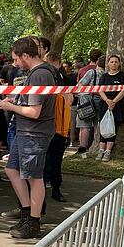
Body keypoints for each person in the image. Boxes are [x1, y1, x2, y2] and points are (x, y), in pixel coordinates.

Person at [0, 36, 56, 239]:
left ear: (25, 55)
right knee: (12, 169)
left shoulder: (40, 74)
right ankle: (26, 212)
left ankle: (33, 221)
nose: (15, 64)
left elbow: (34, 111)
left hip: (34, 132)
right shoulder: (37, 73)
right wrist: (16, 99)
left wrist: (10, 106)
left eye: (16, 59)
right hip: (27, 131)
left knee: (34, 177)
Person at [44, 52, 70, 202]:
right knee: (47, 160)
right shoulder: (44, 77)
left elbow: (69, 100)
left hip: (59, 127)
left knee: (56, 160)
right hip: (48, 126)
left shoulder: (63, 79)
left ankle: (56, 189)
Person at [96, 54, 124, 161]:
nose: (114, 64)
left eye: (116, 62)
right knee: (103, 126)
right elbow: (100, 90)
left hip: (117, 105)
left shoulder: (123, 76)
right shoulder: (104, 77)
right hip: (104, 105)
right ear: (108, 64)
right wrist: (107, 100)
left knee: (113, 127)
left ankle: (108, 151)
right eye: (112, 62)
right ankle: (101, 150)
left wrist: (114, 101)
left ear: (119, 64)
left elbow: (123, 90)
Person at [74, 49, 103, 158]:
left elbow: (79, 86)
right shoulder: (106, 74)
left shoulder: (89, 72)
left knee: (84, 125)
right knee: (97, 125)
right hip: (100, 101)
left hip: (87, 101)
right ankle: (96, 145)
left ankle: (82, 147)